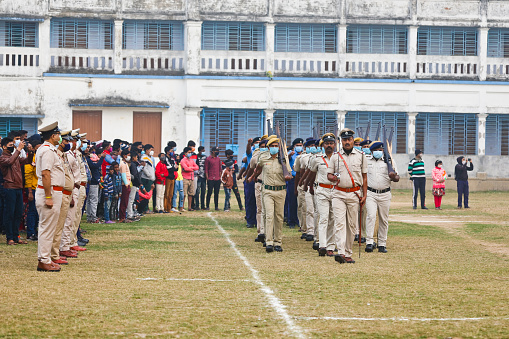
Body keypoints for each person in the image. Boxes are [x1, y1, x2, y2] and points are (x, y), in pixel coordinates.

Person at [327, 128, 368, 264]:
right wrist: (333, 178)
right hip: (338, 193)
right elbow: (329, 174)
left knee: (351, 225)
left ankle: (348, 253)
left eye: (349, 139)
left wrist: (365, 195)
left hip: (354, 193)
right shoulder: (335, 157)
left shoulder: (361, 155)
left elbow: (364, 177)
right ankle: (341, 252)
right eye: (344, 140)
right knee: (339, 224)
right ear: (341, 142)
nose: (347, 142)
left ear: (353, 140)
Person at [249, 136, 292, 253]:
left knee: (279, 217)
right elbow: (257, 169)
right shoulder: (263, 158)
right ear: (268, 148)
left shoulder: (283, 159)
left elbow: (289, 173)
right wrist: (253, 177)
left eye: (276, 146)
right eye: (272, 146)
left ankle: (278, 242)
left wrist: (287, 175)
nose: (274, 148)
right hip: (267, 190)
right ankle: (269, 242)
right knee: (268, 215)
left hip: (280, 190)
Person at [34, 122, 64, 271]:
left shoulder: (50, 150)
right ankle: (43, 260)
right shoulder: (46, 151)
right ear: (53, 136)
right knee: (46, 228)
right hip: (49, 191)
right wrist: (48, 196)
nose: (59, 137)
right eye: (58, 134)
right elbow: (46, 173)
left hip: (53, 191)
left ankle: (45, 258)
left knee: (50, 228)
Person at [305, 133, 337, 257]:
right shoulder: (317, 158)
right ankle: (322, 245)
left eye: (331, 143)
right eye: (326, 143)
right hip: (322, 190)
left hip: (335, 190)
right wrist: (309, 186)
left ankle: (330, 246)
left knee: (333, 219)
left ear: (334, 145)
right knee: (323, 217)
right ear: (322, 145)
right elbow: (312, 173)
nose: (329, 145)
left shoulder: (338, 158)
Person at [364, 141, 398, 253]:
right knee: (371, 216)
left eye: (381, 150)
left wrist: (393, 176)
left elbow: (397, 178)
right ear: (372, 151)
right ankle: (369, 242)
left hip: (385, 193)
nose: (378, 152)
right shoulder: (366, 160)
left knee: (384, 219)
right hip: (371, 193)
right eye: (376, 150)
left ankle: (382, 243)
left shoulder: (389, 161)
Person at [0, 136, 33, 245]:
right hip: (9, 188)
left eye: (12, 146)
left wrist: (30, 151)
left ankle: (16, 236)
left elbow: (27, 161)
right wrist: (18, 149)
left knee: (18, 213)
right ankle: (10, 237)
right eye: (10, 146)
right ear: (3, 147)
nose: (12, 147)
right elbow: (9, 162)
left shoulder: (15, 157)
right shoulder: (3, 158)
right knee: (10, 213)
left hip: (18, 188)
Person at [54, 131, 76, 264]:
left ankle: (57, 252)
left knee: (63, 224)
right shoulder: (55, 154)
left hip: (67, 192)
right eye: (66, 141)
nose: (69, 143)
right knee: (57, 226)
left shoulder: (64, 155)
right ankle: (55, 253)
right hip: (60, 193)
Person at [25, 137, 42, 241]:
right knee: (32, 211)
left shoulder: (40, 157)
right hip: (33, 188)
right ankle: (30, 232)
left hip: (39, 188)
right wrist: (30, 191)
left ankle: (35, 231)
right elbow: (28, 175)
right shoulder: (31, 158)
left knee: (38, 212)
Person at [286, 138, 303, 229]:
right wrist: (288, 156)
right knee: (292, 200)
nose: (299, 147)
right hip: (293, 179)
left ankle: (299, 221)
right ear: (294, 147)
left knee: (301, 202)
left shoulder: (305, 155)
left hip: (303, 179)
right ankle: (291, 220)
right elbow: (285, 163)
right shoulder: (291, 155)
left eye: (300, 145)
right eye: (297, 146)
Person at [85, 150, 105, 223]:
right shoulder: (88, 160)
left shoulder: (86, 159)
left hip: (91, 182)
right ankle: (93, 217)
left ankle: (90, 216)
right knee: (93, 200)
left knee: (90, 201)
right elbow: (96, 166)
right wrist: (102, 158)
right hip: (93, 182)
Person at [181, 146, 199, 211]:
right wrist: (192, 168)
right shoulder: (183, 160)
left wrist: (190, 168)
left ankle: (189, 207)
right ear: (185, 153)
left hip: (191, 178)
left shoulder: (191, 160)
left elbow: (197, 167)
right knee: (184, 194)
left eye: (190, 152)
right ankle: (181, 207)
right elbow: (185, 168)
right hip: (185, 178)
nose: (190, 154)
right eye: (189, 152)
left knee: (191, 193)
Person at [205, 146, 222, 211]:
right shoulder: (208, 159)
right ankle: (207, 206)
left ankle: (216, 206)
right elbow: (206, 169)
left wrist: (220, 177)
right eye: (217, 151)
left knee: (216, 193)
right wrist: (207, 178)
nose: (218, 152)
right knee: (209, 192)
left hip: (217, 178)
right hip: (211, 178)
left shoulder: (218, 159)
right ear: (213, 151)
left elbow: (220, 169)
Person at [118, 149, 132, 223]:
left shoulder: (125, 163)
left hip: (127, 183)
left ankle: (124, 216)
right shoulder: (122, 164)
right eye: (128, 155)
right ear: (124, 155)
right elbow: (123, 174)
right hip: (125, 184)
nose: (129, 157)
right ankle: (122, 217)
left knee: (125, 201)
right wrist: (126, 183)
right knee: (124, 201)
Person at [127, 151, 142, 220]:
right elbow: (135, 175)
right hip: (133, 184)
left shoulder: (133, 164)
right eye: (136, 157)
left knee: (131, 200)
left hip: (134, 184)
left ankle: (131, 213)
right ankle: (130, 214)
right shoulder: (133, 165)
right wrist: (138, 183)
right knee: (131, 200)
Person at [163, 142, 178, 212]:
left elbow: (176, 168)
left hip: (172, 177)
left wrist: (174, 167)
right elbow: (169, 168)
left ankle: (169, 208)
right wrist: (174, 167)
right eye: (171, 151)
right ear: (167, 152)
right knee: (166, 193)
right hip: (168, 177)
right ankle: (165, 207)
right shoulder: (165, 158)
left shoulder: (172, 159)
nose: (172, 152)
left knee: (171, 194)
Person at [195, 146, 207, 210]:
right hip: (198, 176)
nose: (203, 152)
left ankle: (203, 205)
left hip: (204, 176)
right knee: (197, 191)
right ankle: (197, 205)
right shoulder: (196, 157)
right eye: (203, 151)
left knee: (203, 191)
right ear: (199, 151)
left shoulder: (205, 157)